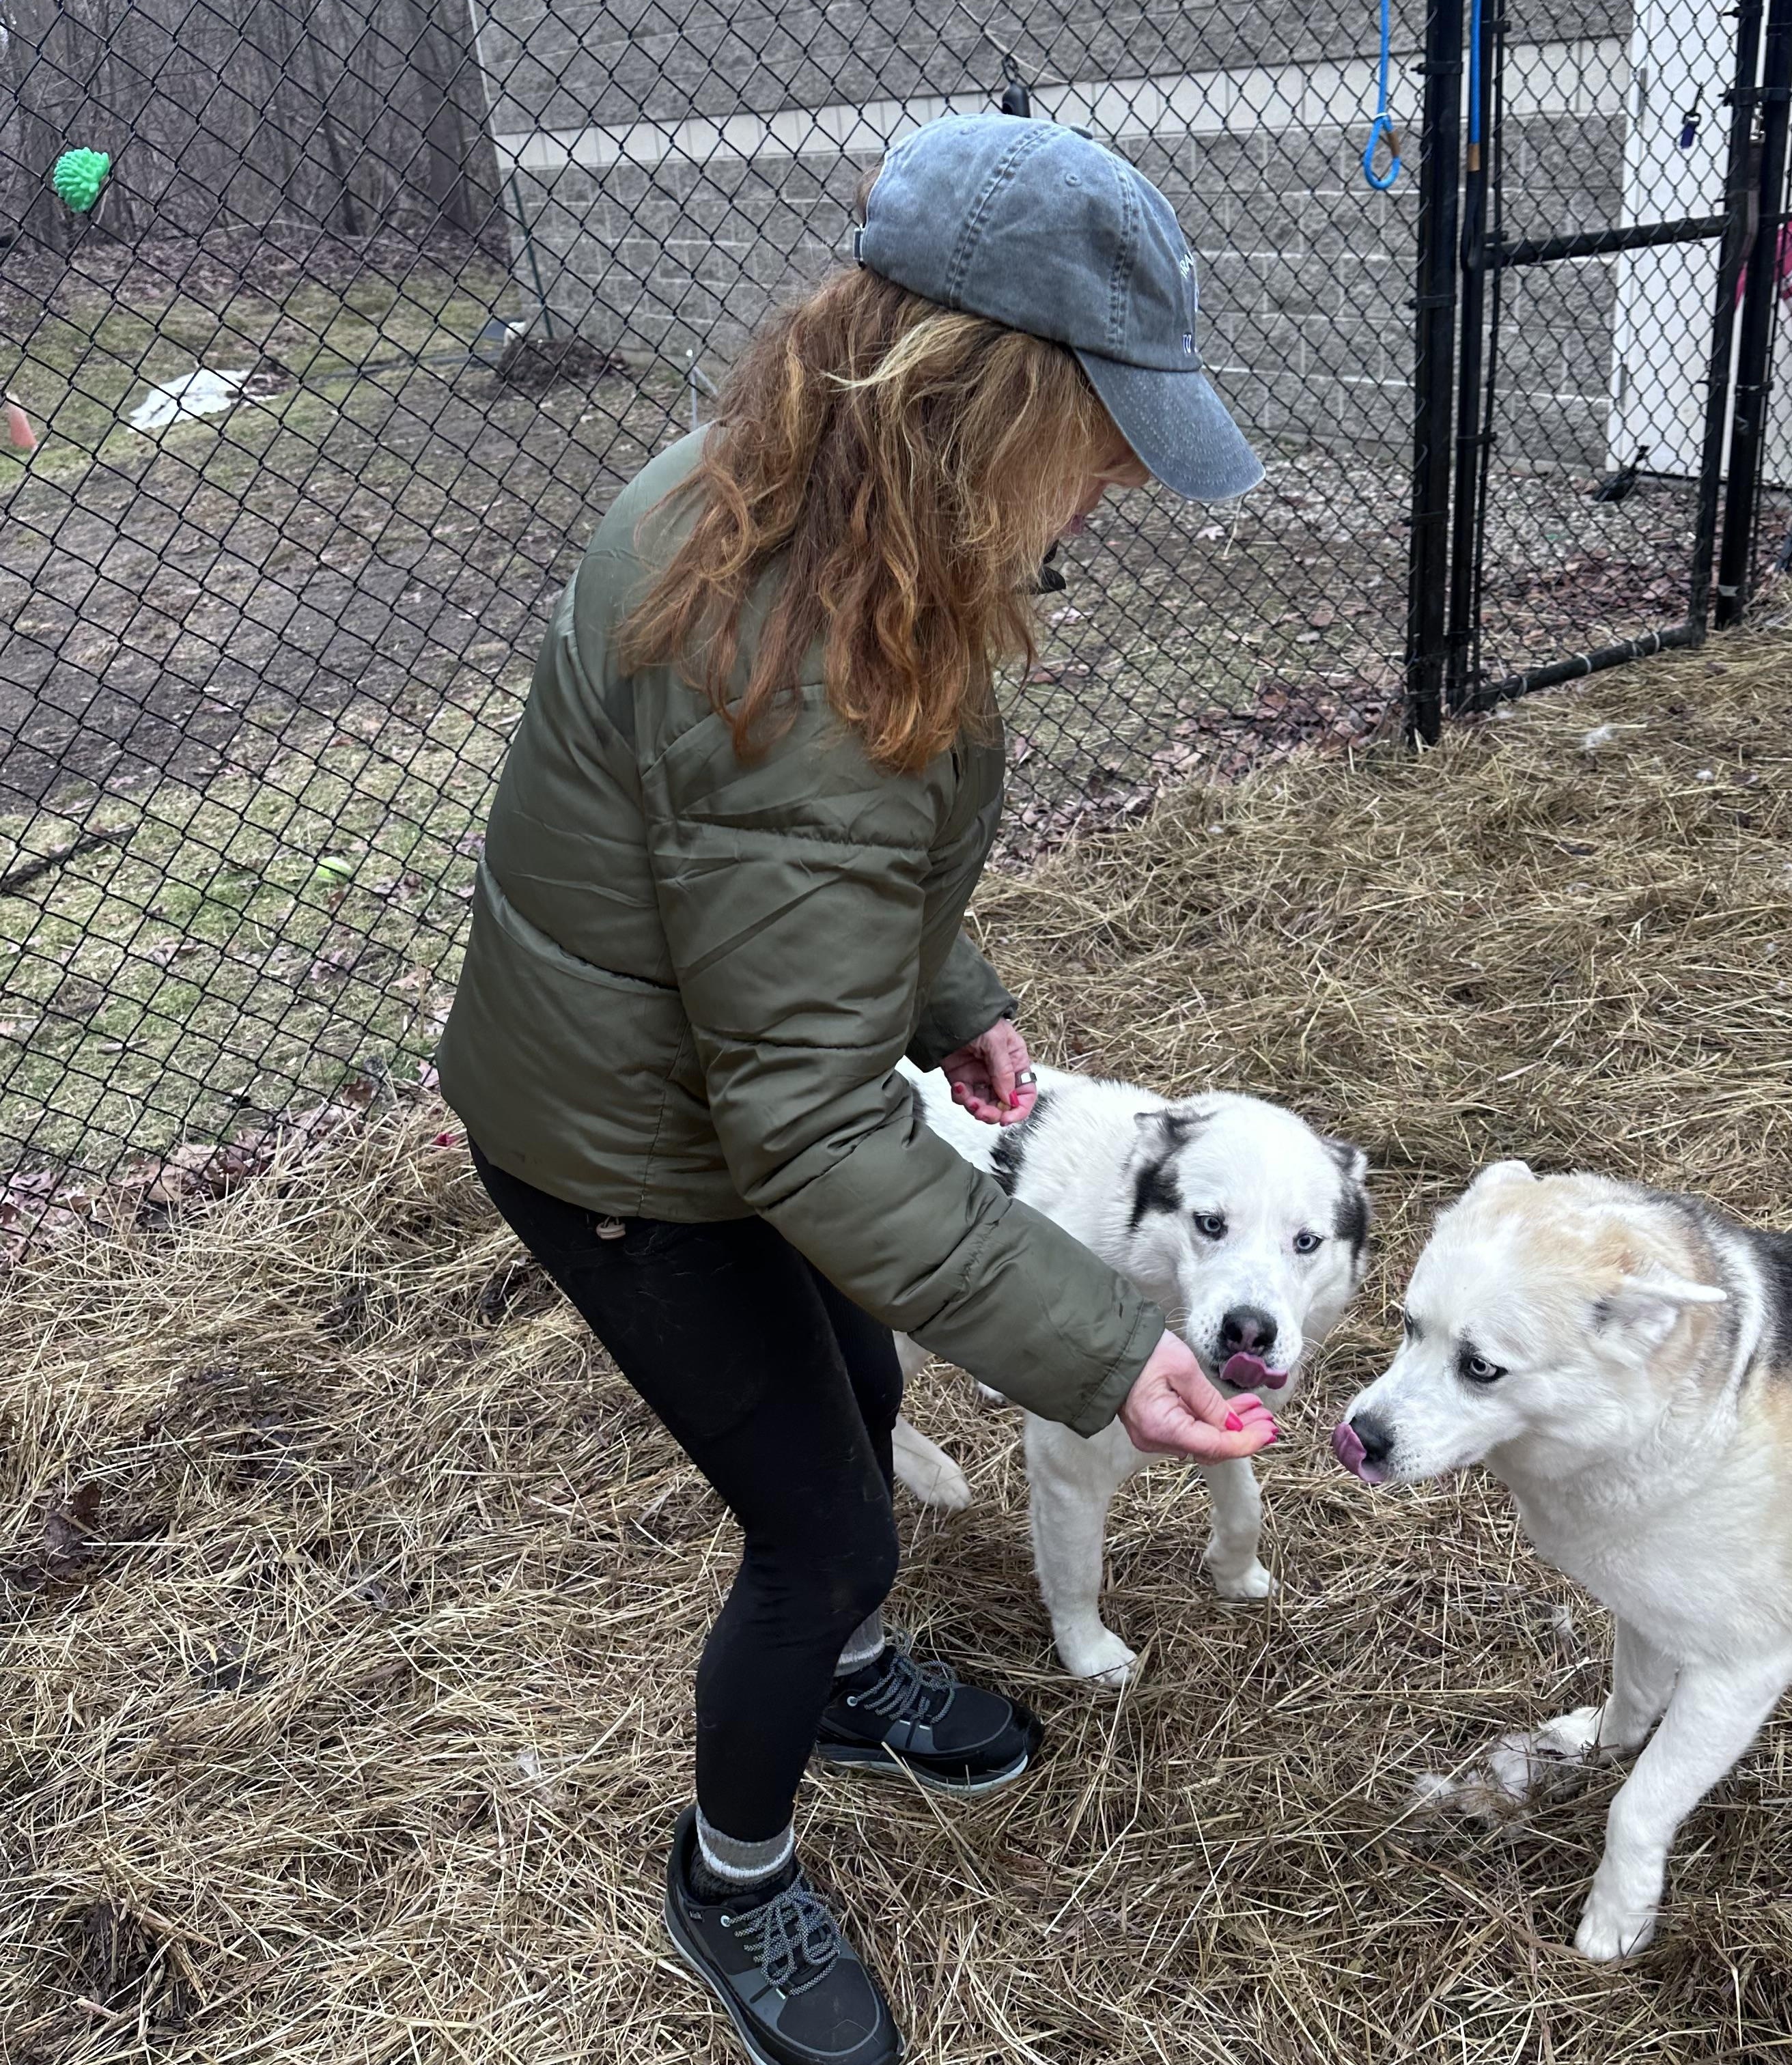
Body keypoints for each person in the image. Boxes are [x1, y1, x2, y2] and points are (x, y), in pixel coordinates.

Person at [438, 111, 1270, 2065]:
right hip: (628, 1153)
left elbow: (783, 891)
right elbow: (804, 1118)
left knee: (864, 1390)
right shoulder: (801, 649)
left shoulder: (802, 501)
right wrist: (1100, 1342)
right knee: (824, 1532)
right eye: (1109, 436)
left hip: (708, 1080)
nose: (1120, 485)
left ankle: (847, 1679)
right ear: (994, 399)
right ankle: (733, 1872)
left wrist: (945, 986)